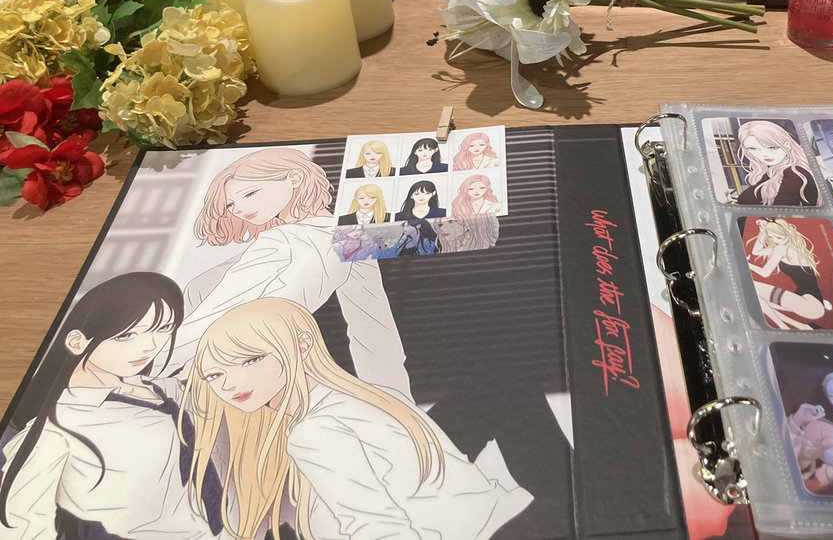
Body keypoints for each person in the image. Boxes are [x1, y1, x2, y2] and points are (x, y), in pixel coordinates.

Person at [185, 298, 532, 540]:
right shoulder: (372, 394)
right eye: (214, 375)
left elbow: (381, 531)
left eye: (250, 360)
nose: (230, 384)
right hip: (509, 517)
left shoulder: (314, 430)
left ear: (302, 346)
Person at [174, 147, 412, 400]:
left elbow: (373, 332)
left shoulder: (302, 240)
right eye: (231, 205)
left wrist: (395, 403)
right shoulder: (304, 239)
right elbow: (374, 333)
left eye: (251, 194)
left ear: (295, 178)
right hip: (201, 377)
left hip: (217, 376)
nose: (240, 210)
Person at [0, 273, 222, 539]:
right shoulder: (58, 425)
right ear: (77, 341)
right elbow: (21, 523)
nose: (150, 346)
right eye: (127, 335)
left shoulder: (159, 388)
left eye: (164, 329)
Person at [743, 218, 829, 329]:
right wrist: (763, 232)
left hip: (810, 305)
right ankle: (801, 326)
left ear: (788, 235)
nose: (775, 240)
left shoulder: (782, 249)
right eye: (771, 237)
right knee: (757, 298)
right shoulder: (789, 247)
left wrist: (747, 264)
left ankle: (784, 327)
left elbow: (765, 273)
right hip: (809, 302)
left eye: (779, 237)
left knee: (752, 288)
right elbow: (756, 251)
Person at [734, 120, 819, 206]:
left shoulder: (795, 173)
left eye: (772, 147)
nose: (764, 154)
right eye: (753, 148)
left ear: (787, 146)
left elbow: (780, 209)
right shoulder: (771, 173)